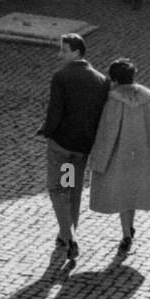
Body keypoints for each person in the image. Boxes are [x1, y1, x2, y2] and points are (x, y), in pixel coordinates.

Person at [38, 33, 109, 264]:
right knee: (72, 189)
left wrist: (46, 131)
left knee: (57, 189)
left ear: (76, 52)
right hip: (82, 147)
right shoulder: (101, 80)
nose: (60, 55)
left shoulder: (61, 77)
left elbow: (55, 111)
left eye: (64, 51)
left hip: (62, 146)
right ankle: (65, 234)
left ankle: (69, 238)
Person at [87, 59, 150, 253]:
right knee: (132, 194)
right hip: (143, 155)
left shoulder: (113, 101)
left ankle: (126, 233)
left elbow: (107, 133)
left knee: (123, 195)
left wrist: (98, 161)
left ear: (114, 79)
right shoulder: (148, 100)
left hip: (119, 156)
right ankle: (129, 228)